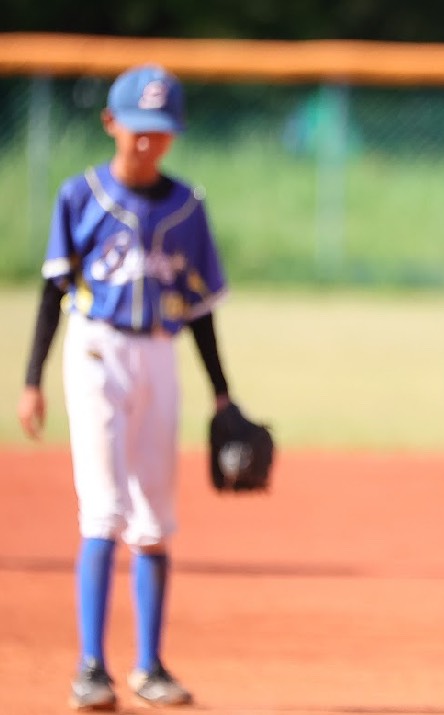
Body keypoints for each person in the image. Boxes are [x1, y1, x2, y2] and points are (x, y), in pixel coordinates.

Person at [17, 64, 232, 711]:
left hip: (158, 354)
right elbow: (52, 292)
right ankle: (91, 665)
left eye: (161, 132)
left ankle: (149, 664)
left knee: (156, 518)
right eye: (138, 130)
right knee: (103, 507)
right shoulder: (79, 195)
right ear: (111, 123)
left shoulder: (188, 206)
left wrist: (223, 393)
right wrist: (31, 379)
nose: (149, 143)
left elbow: (198, 311)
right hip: (94, 351)